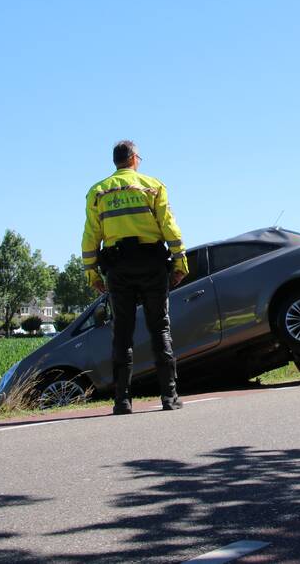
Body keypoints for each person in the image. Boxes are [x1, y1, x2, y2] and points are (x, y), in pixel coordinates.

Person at [82, 140, 190, 415]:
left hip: (118, 268)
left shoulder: (98, 192)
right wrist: (180, 263)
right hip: (151, 263)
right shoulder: (153, 186)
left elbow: (91, 236)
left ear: (116, 161)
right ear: (134, 159)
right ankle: (169, 397)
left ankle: (122, 401)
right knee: (160, 329)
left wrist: (92, 273)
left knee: (122, 334)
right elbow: (169, 227)